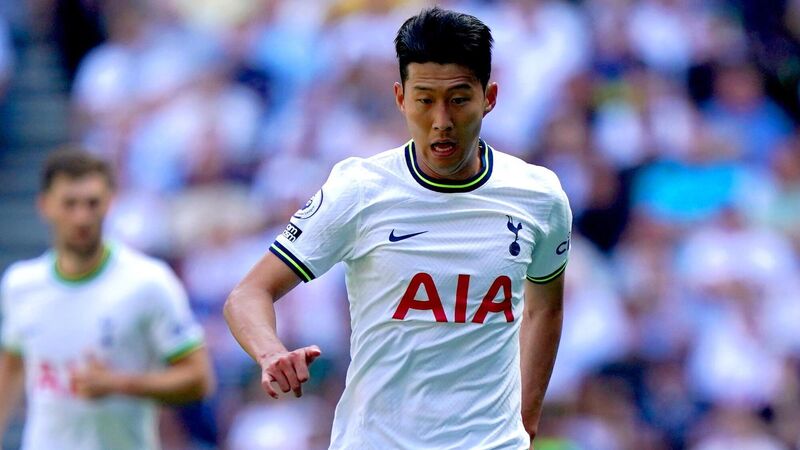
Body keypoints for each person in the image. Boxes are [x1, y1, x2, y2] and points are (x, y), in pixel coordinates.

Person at [224, 7, 571, 449]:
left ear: (489, 97)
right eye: (425, 100)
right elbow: (247, 294)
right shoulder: (359, 190)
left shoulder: (539, 197)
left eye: (459, 99)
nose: (441, 120)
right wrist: (271, 352)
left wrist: (525, 420)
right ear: (400, 98)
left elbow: (545, 309)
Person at [0, 148, 215, 450]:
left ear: (110, 203)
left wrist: (120, 383)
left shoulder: (148, 282)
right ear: (45, 206)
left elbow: (199, 379)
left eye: (92, 203)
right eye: (69, 204)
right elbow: (12, 365)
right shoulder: (20, 284)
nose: (82, 217)